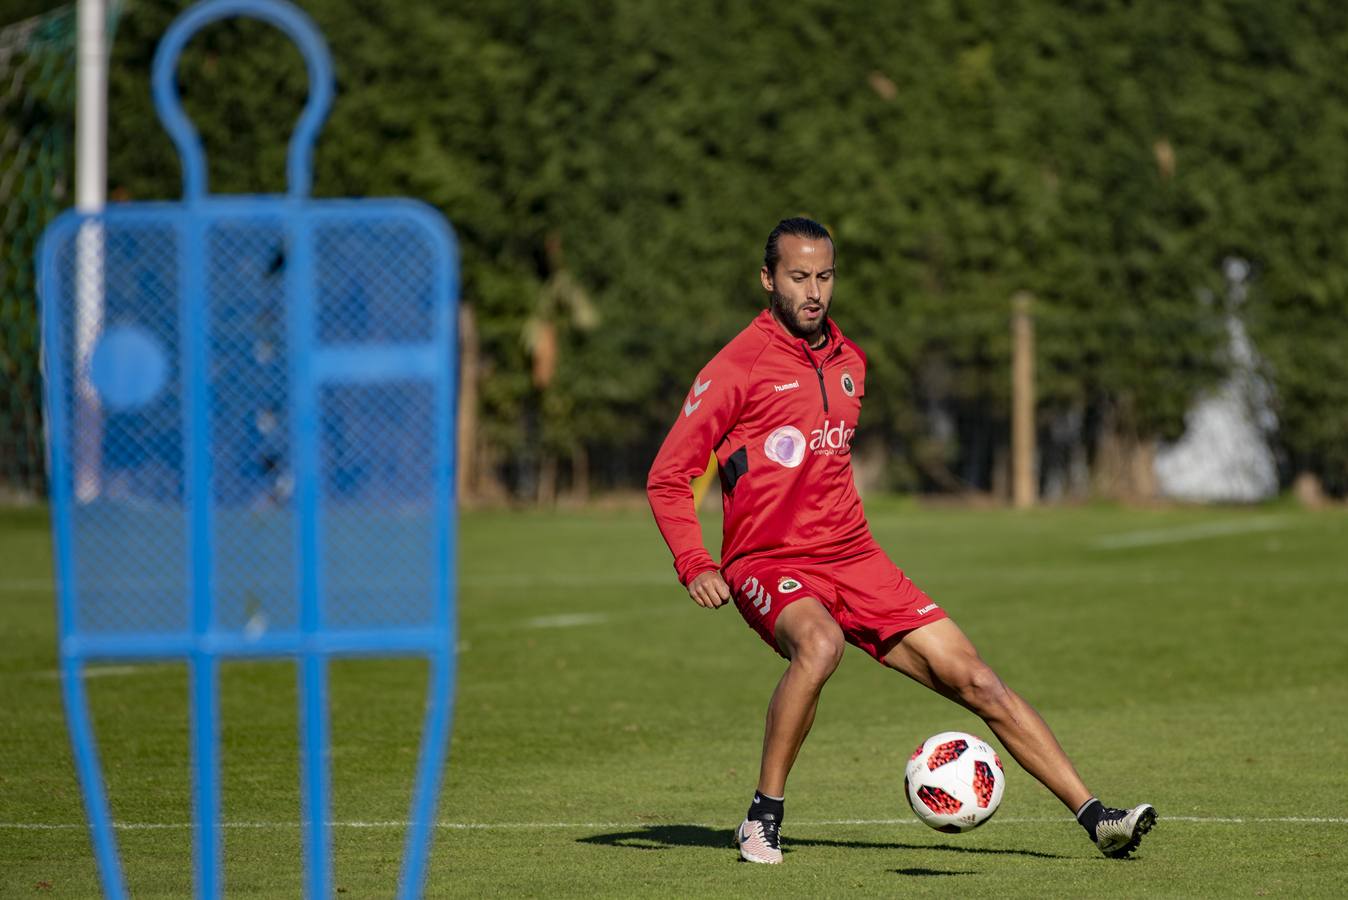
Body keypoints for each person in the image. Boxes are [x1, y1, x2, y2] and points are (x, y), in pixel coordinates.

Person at [646, 216, 1155, 865]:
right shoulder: (735, 366)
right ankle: (761, 819)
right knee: (821, 644)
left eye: (824, 277)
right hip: (766, 561)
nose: (813, 292)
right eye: (798, 276)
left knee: (977, 680)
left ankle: (1097, 818)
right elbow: (669, 475)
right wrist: (694, 562)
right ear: (767, 277)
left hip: (856, 557)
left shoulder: (852, 360)